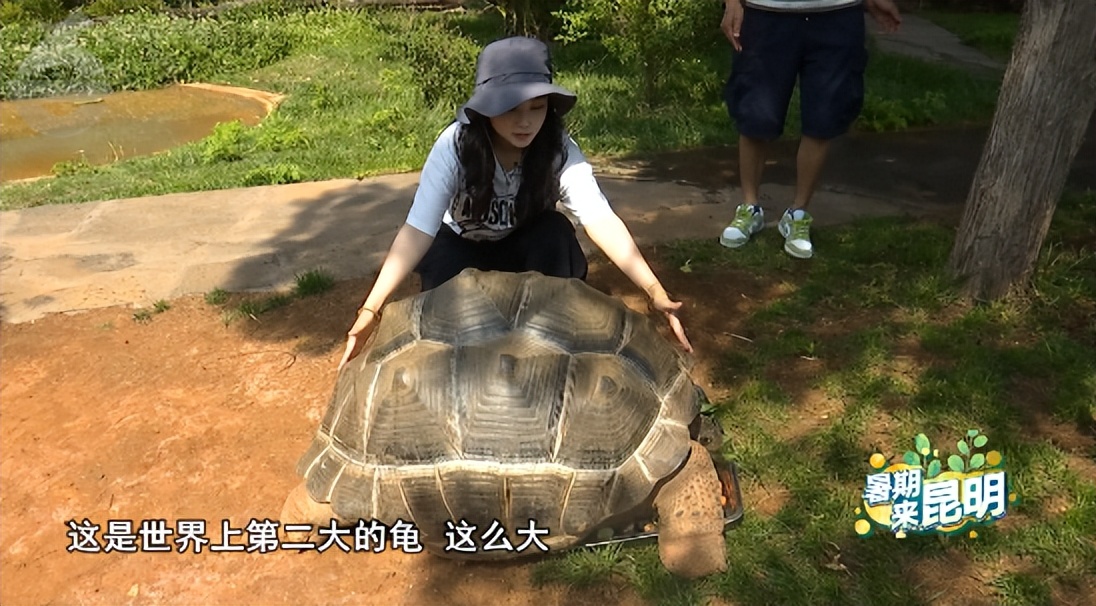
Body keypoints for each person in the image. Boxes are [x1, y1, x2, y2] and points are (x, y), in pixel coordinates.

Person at [338, 36, 692, 370]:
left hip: (524, 249)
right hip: (463, 249)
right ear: (487, 108)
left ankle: (552, 345)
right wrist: (371, 309)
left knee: (556, 233)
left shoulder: (558, 149)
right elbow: (418, 230)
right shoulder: (455, 146)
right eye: (511, 109)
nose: (525, 122)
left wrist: (654, 290)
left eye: (537, 108)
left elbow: (600, 219)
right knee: (443, 303)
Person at [718, 0, 901, 259]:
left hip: (836, 16)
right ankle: (750, 207)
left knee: (822, 118)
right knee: (755, 115)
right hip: (766, 14)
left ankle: (798, 212)